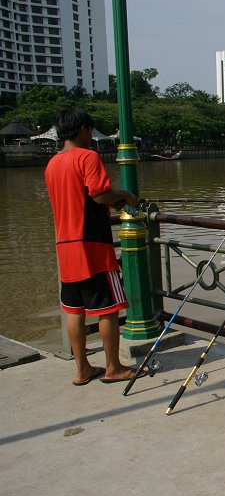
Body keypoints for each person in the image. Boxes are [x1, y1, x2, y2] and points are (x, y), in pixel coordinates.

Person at [44, 109, 144, 385]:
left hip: (64, 244)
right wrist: (125, 196)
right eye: (90, 130)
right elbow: (99, 195)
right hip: (92, 245)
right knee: (107, 308)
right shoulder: (88, 157)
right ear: (82, 130)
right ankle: (113, 367)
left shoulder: (52, 164)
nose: (91, 136)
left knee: (74, 309)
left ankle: (83, 369)